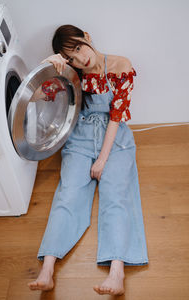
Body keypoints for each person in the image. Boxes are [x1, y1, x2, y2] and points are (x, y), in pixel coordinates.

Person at [28, 24, 149, 296]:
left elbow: (117, 116)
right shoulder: (70, 75)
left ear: (87, 38)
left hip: (114, 137)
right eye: (71, 57)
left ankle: (116, 273)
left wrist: (102, 161)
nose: (81, 59)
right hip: (79, 135)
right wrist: (47, 66)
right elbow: (35, 98)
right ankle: (47, 268)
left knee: (117, 197)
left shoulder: (120, 65)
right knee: (68, 195)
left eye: (79, 48)